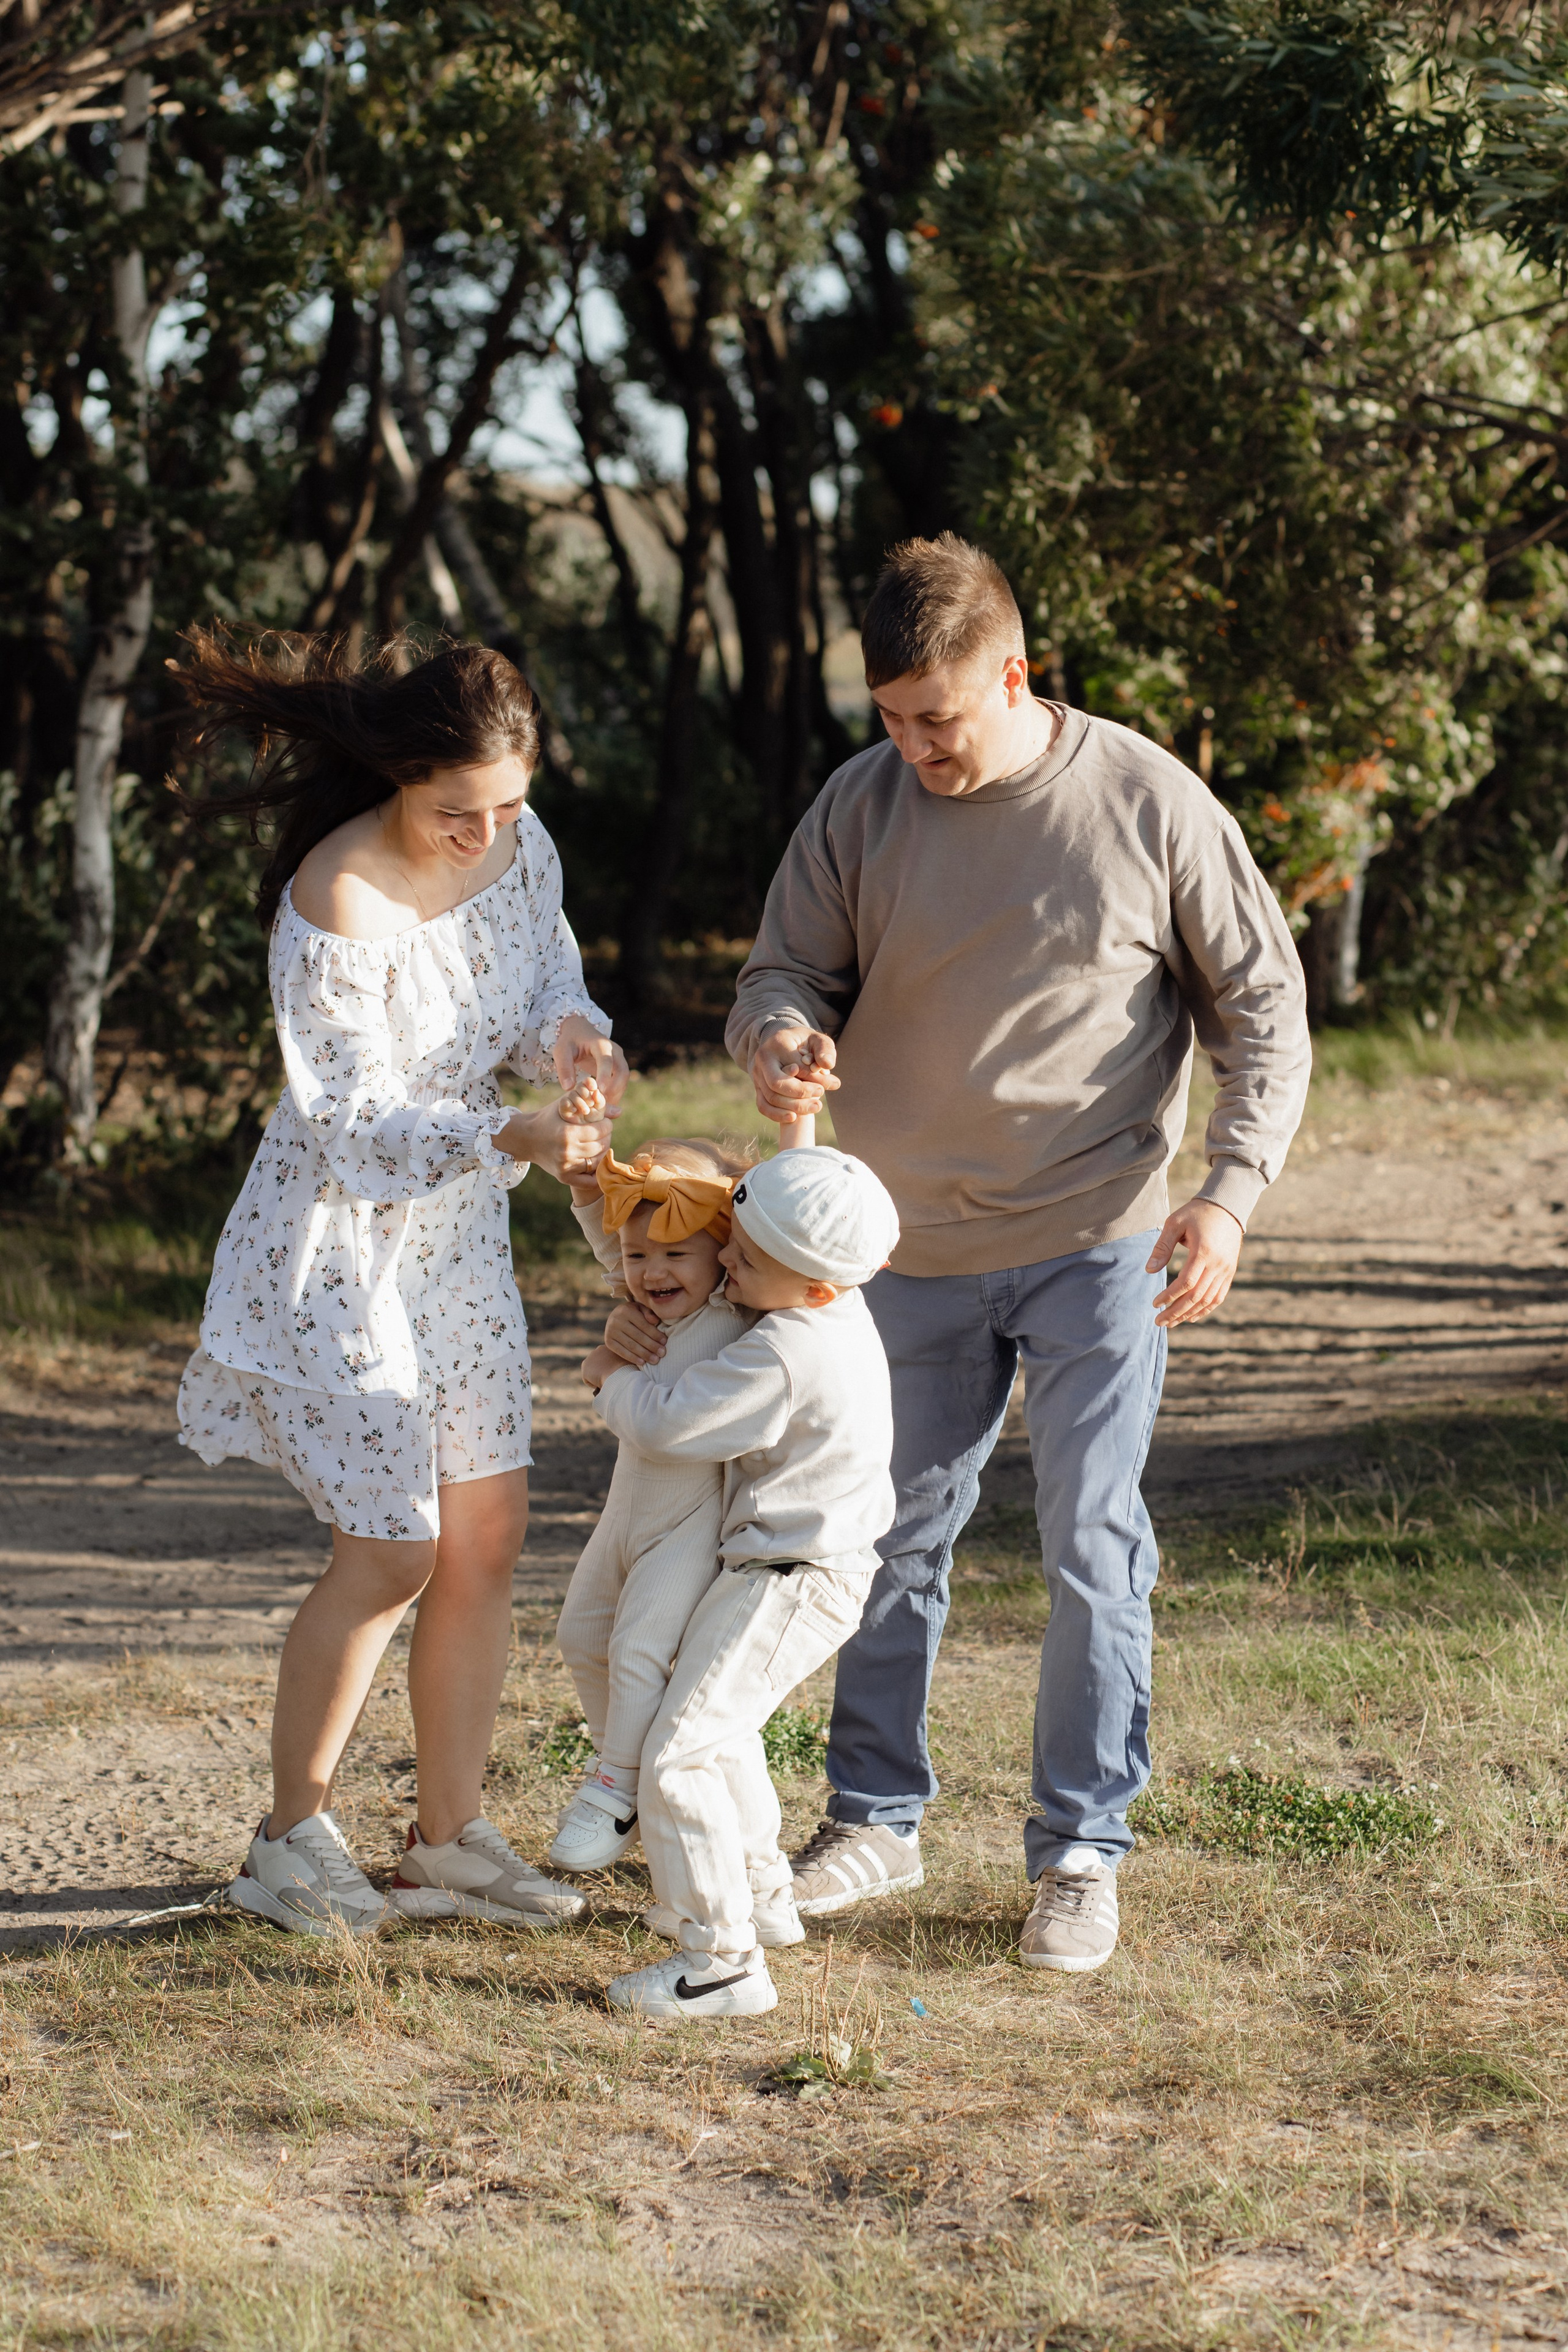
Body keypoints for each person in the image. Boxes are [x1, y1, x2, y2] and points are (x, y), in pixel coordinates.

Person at [727, 533, 1311, 1973]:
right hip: (899, 1244)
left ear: (1013, 675)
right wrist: (779, 1035)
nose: (914, 746)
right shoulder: (859, 803)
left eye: (937, 717)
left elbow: (1262, 1006)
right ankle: (873, 1816)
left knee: (1090, 1542)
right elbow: (780, 970)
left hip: (1095, 1238)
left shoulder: (1146, 800)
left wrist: (1228, 1194)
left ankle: (1078, 1851)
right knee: (881, 1538)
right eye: (889, 717)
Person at [173, 628, 625, 1938]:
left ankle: (446, 1841)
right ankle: (287, 1840)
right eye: (455, 813)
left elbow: (544, 975)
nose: (484, 836)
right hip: (340, 1248)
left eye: (507, 808)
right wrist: (511, 1132)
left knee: (486, 1535)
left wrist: (574, 1043)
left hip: (456, 1240)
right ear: (397, 778)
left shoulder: (519, 846)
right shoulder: (336, 897)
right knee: (391, 1547)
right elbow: (355, 1124)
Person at [577, 1149, 900, 2019]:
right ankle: (759, 1891)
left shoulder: (789, 1350)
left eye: (745, 1258)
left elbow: (673, 1424)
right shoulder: (825, 1298)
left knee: (678, 1757)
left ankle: (721, 1962)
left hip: (794, 1581)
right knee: (717, 1735)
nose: (724, 1262)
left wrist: (609, 1378)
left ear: (815, 1286)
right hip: (774, 1566)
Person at [546, 1137, 755, 1872]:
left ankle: (617, 1791)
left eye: (674, 1253)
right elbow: (608, 1233)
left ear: (724, 1252)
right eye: (638, 1256)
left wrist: (796, 1116)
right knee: (582, 1634)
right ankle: (621, 1763)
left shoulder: (737, 1305)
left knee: (639, 1650)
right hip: (624, 1512)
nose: (650, 1272)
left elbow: (781, 1223)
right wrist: (585, 1174)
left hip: (688, 1523)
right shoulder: (643, 1306)